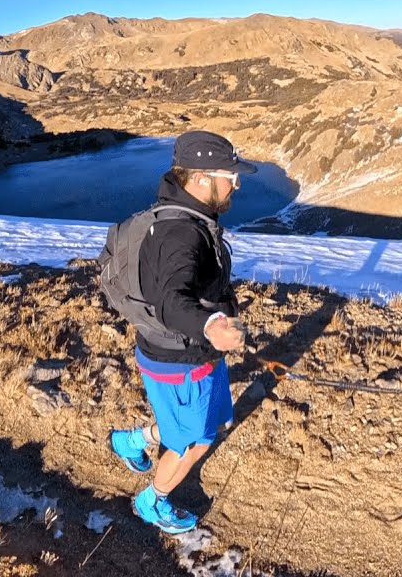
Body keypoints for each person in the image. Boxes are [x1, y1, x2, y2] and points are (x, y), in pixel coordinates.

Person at [108, 130, 256, 534]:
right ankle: (152, 501)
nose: (237, 185)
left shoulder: (176, 214)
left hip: (175, 354)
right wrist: (212, 326)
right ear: (202, 178)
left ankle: (133, 441)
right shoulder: (182, 233)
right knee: (195, 443)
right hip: (182, 362)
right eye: (231, 176)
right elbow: (173, 301)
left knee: (202, 421)